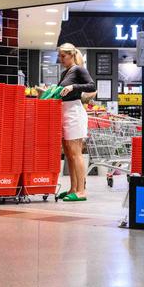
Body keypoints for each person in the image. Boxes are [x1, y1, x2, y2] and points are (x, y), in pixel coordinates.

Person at [56, 43, 96, 202]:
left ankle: (81, 191)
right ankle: (73, 188)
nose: (60, 60)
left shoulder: (79, 69)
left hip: (74, 113)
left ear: (71, 55)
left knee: (76, 153)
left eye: (63, 56)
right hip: (65, 113)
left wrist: (73, 86)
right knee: (69, 155)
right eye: (59, 56)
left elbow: (92, 86)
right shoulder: (66, 72)